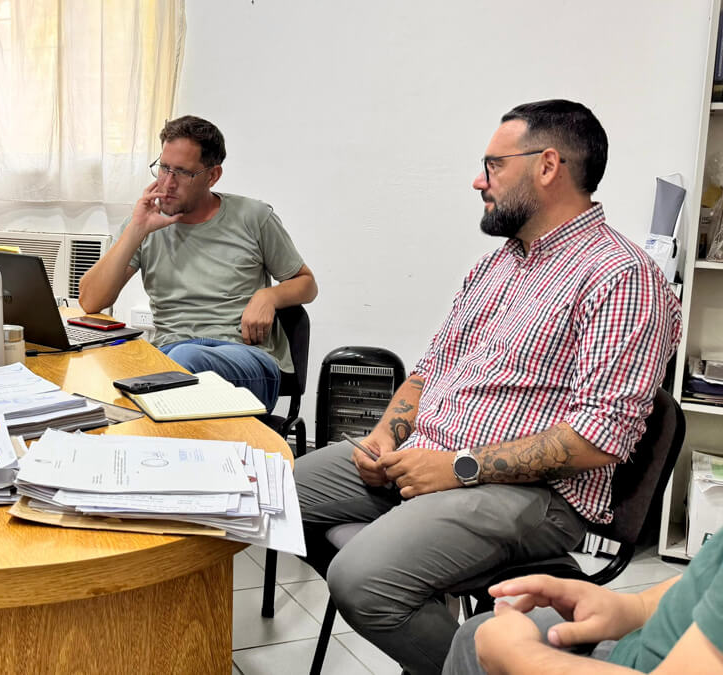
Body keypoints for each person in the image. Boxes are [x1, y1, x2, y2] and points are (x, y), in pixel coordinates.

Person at [293, 99, 681, 675]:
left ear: (547, 166)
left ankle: (478, 661)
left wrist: (458, 467)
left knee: (363, 581)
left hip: (536, 495)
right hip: (429, 461)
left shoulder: (623, 277)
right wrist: (384, 440)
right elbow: (428, 373)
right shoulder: (495, 266)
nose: (480, 180)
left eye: (493, 165)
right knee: (270, 494)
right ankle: (429, 606)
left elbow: (599, 438)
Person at [78, 115, 317, 411]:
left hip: (245, 357)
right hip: (170, 354)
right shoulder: (144, 225)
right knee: (126, 374)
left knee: (182, 361)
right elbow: (90, 301)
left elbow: (307, 284)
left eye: (182, 173)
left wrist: (269, 295)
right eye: (164, 167)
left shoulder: (253, 217)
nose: (167, 183)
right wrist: (135, 230)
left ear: (212, 176)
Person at [444, 525, 723, 674]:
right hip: (646, 644)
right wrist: (634, 608)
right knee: (472, 635)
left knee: (473, 644)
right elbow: (707, 578)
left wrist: (520, 658)